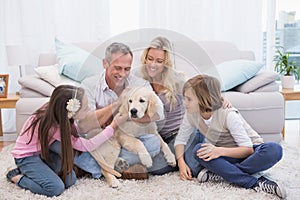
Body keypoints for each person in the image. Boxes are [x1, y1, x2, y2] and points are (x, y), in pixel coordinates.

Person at [174, 74, 286, 199]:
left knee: (275, 150)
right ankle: (253, 181)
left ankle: (227, 174)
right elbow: (181, 139)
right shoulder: (190, 114)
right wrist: (181, 163)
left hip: (251, 152)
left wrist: (218, 151)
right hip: (226, 155)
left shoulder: (228, 114)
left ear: (203, 99)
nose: (185, 103)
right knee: (199, 150)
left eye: (189, 99)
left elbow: (247, 149)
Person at [6, 85, 127, 197]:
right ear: (70, 112)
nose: (89, 109)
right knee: (55, 188)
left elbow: (77, 134)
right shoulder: (54, 125)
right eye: (85, 108)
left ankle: (35, 171)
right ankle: (16, 176)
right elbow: (87, 146)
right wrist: (113, 126)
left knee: (70, 180)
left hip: (42, 153)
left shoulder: (57, 113)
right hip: (26, 157)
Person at [80, 42, 165, 178]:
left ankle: (94, 166)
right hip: (101, 141)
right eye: (118, 68)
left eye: (127, 69)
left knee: (153, 143)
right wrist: (119, 102)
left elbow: (159, 112)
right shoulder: (89, 85)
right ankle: (125, 166)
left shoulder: (139, 83)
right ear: (105, 64)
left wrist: (126, 116)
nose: (123, 74)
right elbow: (84, 126)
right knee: (83, 144)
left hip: (129, 138)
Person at [135, 36, 204, 175]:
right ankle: (186, 158)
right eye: (150, 58)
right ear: (145, 58)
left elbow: (202, 93)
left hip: (183, 133)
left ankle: (193, 159)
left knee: (193, 168)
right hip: (160, 138)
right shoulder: (138, 78)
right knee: (152, 166)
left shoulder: (177, 80)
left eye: (159, 61)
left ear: (166, 63)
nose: (153, 64)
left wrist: (221, 99)